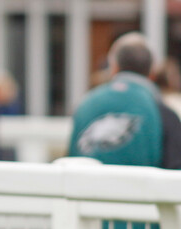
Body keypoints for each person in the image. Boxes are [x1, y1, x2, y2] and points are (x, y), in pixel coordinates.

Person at [69, 32, 181, 169]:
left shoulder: (85, 104)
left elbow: (71, 158)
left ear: (114, 68)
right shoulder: (163, 113)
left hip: (85, 188)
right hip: (139, 189)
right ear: (152, 72)